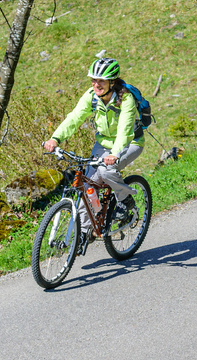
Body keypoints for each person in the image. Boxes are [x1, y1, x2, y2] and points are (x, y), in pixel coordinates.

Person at [43, 57, 144, 248]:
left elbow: (124, 130)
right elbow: (74, 118)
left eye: (101, 80)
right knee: (87, 185)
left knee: (106, 171)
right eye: (93, 79)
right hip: (103, 144)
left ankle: (125, 200)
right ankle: (84, 232)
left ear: (112, 82)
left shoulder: (126, 99)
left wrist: (114, 154)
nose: (96, 84)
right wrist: (55, 138)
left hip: (130, 142)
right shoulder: (92, 96)